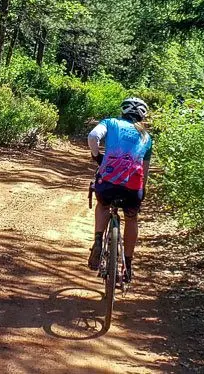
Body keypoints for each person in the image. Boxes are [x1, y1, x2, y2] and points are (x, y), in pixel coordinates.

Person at [87, 97, 152, 283]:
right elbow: (145, 169)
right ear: (142, 116)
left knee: (103, 204)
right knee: (131, 217)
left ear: (123, 111)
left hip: (108, 181)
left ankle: (99, 239)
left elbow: (93, 137)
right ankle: (128, 266)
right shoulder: (147, 137)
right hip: (133, 187)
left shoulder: (111, 122)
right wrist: (142, 190)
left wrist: (96, 155)